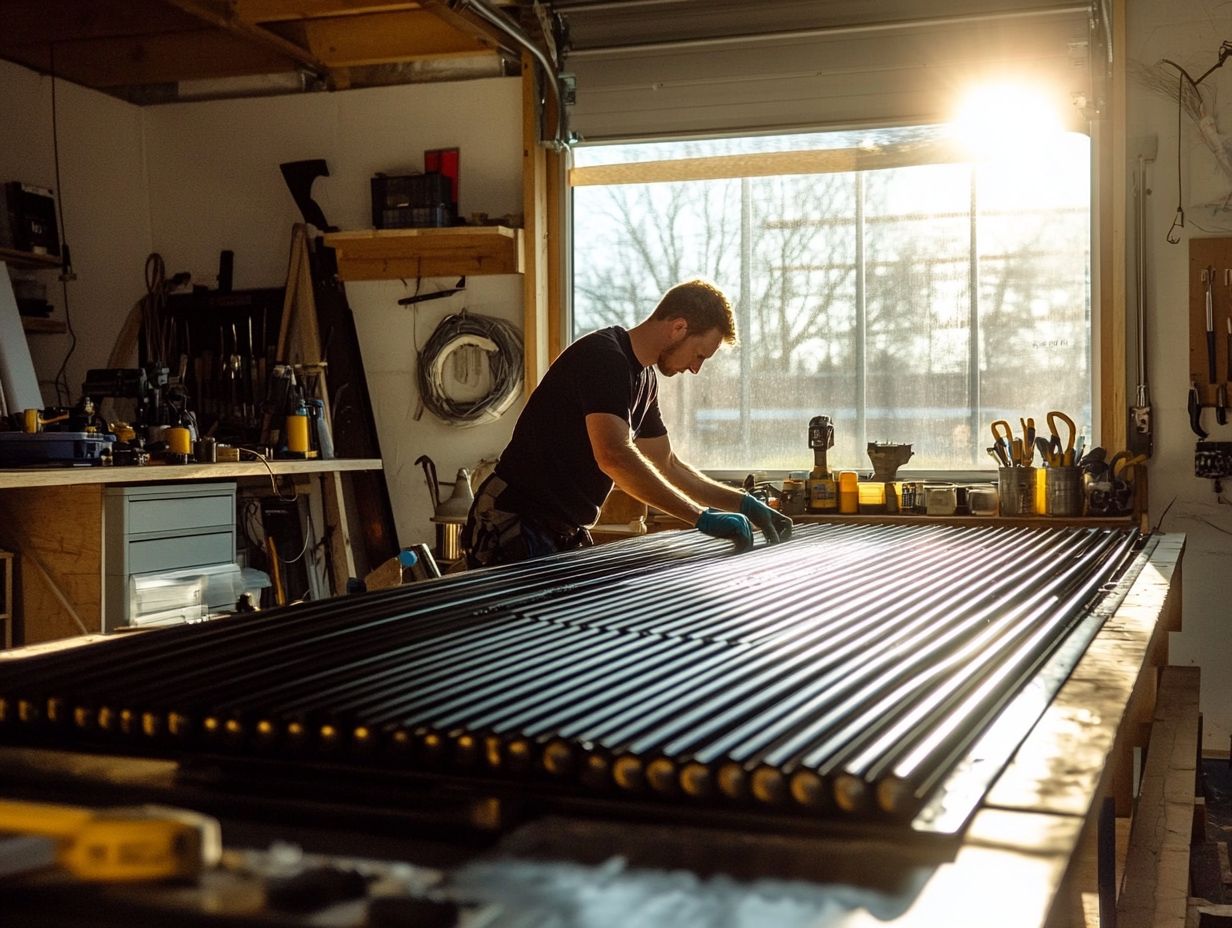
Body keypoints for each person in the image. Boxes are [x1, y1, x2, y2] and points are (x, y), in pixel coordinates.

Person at [462, 278, 793, 568]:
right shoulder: (604, 358)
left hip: (561, 527)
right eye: (699, 354)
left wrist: (744, 504)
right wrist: (700, 518)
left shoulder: (644, 378)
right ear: (679, 328)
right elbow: (614, 455)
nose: (696, 369)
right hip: (514, 518)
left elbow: (667, 464)